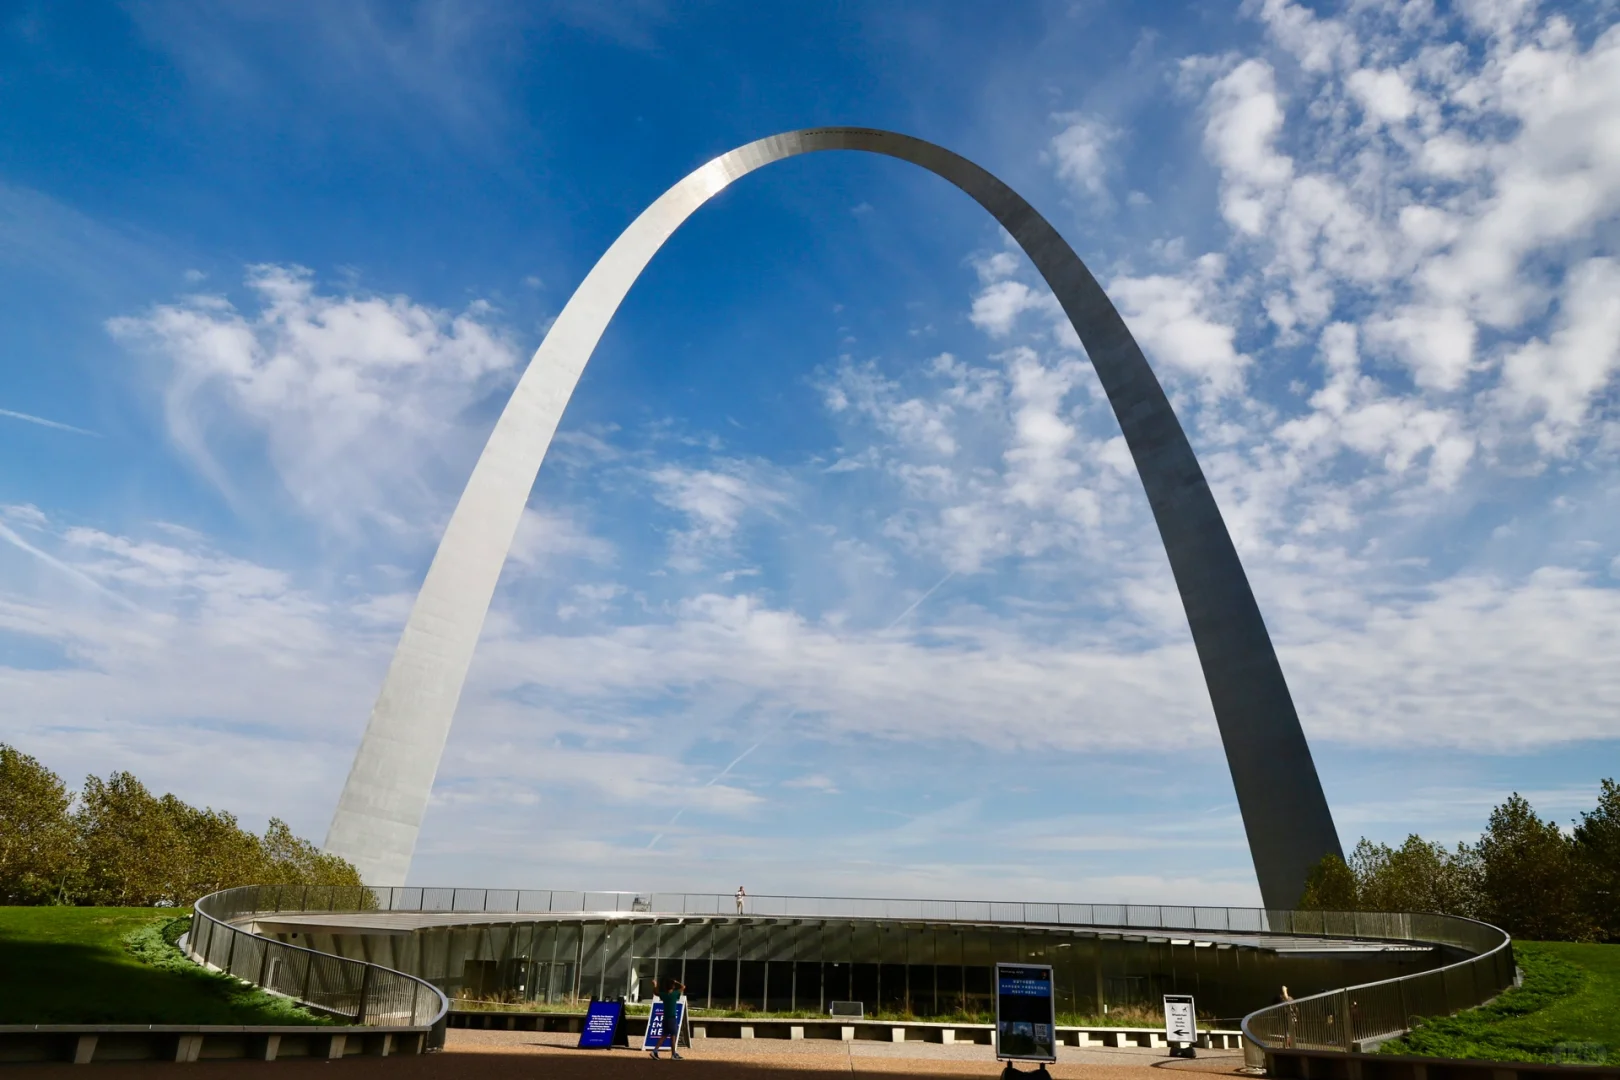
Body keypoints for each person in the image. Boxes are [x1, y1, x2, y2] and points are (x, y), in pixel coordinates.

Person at [649, 977, 684, 1060]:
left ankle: (671, 1053)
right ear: (673, 986)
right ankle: (668, 1053)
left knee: (665, 1035)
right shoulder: (675, 994)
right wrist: (676, 982)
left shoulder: (664, 995)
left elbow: (655, 992)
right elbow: (683, 987)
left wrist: (655, 985)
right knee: (672, 1036)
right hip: (672, 1018)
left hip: (665, 1018)